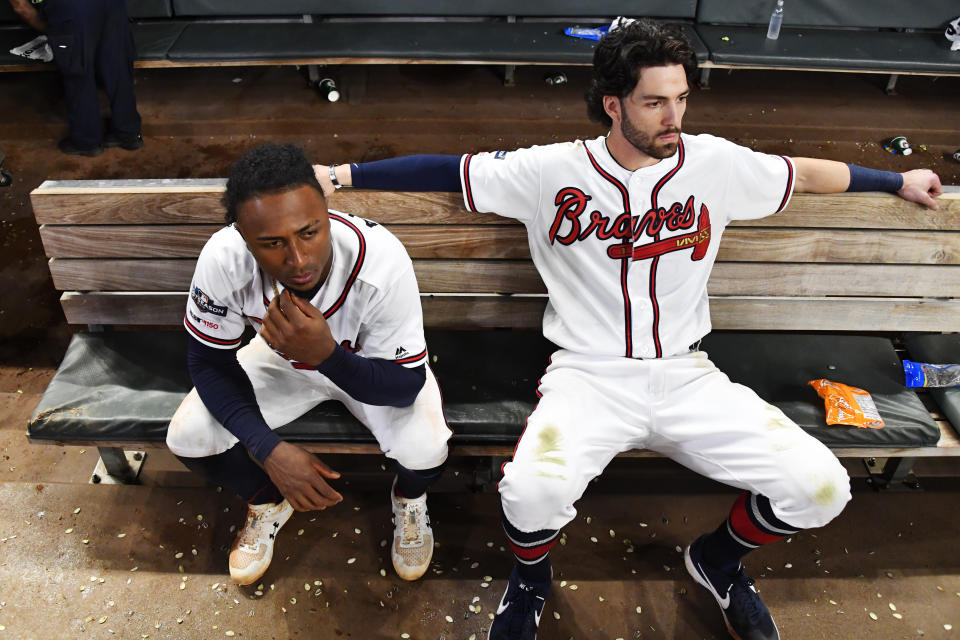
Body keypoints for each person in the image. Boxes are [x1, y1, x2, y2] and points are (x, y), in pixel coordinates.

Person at [313, 19, 943, 640]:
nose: (674, 116)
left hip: (687, 374)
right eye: (655, 102)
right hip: (588, 375)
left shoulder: (715, 163)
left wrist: (898, 179)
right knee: (529, 494)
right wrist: (340, 177)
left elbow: (804, 173)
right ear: (612, 104)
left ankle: (716, 562)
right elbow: (449, 171)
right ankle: (531, 580)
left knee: (824, 488)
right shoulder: (550, 170)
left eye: (681, 99)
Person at [166, 143, 451, 586]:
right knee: (187, 436)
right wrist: (268, 449)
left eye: (309, 232)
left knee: (426, 448)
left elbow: (404, 387)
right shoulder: (224, 257)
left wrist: (327, 357)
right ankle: (266, 501)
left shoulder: (380, 258)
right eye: (272, 243)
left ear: (326, 212)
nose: (297, 259)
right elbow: (208, 362)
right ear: (243, 238)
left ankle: (409, 498)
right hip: (282, 360)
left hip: (367, 364)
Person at [7, 0, 143, 156]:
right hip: (111, 5)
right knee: (118, 68)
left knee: (79, 75)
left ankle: (87, 142)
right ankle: (129, 134)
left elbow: (21, 7)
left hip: (71, 9)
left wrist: (53, 30)